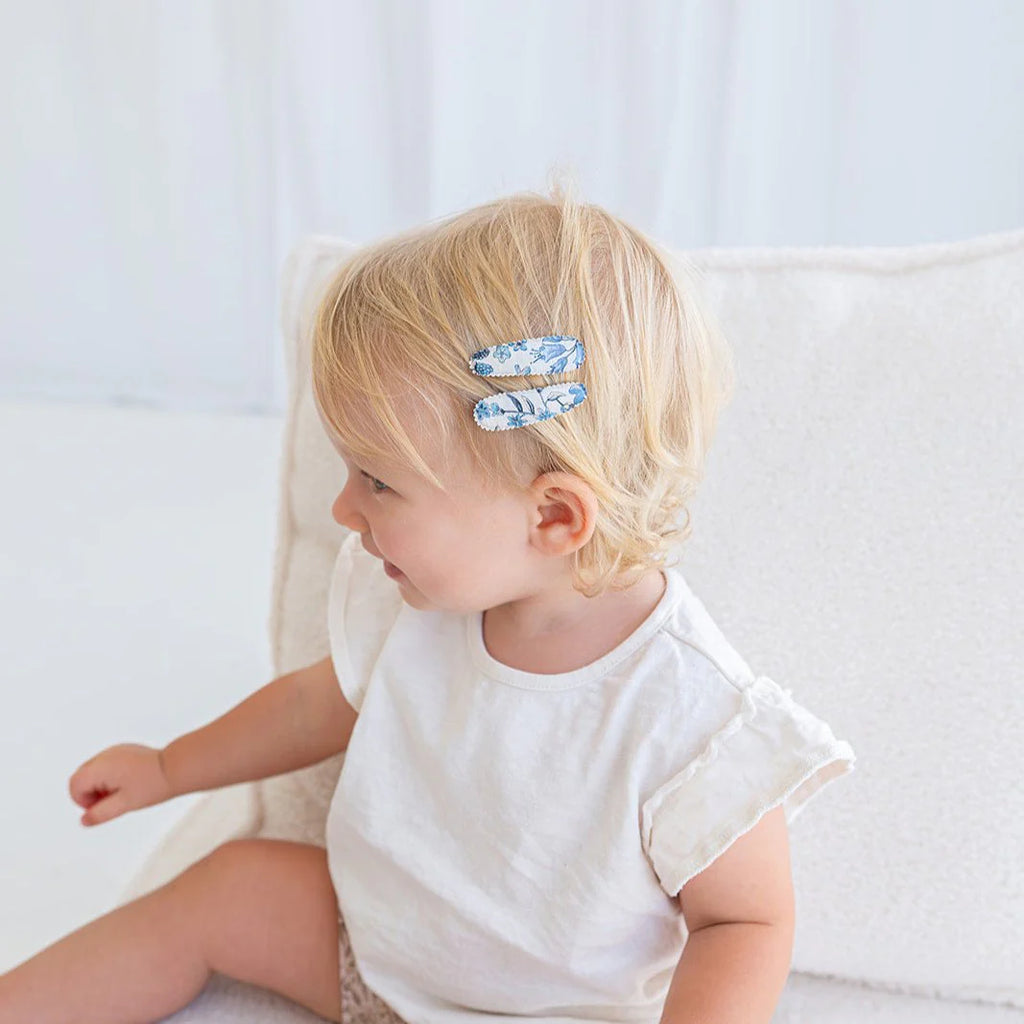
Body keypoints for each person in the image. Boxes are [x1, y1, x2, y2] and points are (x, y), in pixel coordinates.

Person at [0, 182, 856, 1024]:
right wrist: (169, 766)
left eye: (378, 482)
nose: (344, 511)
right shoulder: (413, 604)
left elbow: (744, 920)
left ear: (553, 516)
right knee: (230, 887)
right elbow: (314, 703)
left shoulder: (691, 715)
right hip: (373, 952)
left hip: (549, 1014)